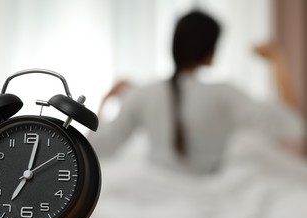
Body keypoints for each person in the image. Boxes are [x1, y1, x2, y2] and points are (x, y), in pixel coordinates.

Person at [90, 10, 305, 173]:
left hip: (154, 189)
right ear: (210, 53)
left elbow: (98, 147)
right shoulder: (225, 94)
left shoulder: (143, 94)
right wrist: (277, 60)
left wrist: (106, 100)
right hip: (209, 191)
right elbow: (293, 126)